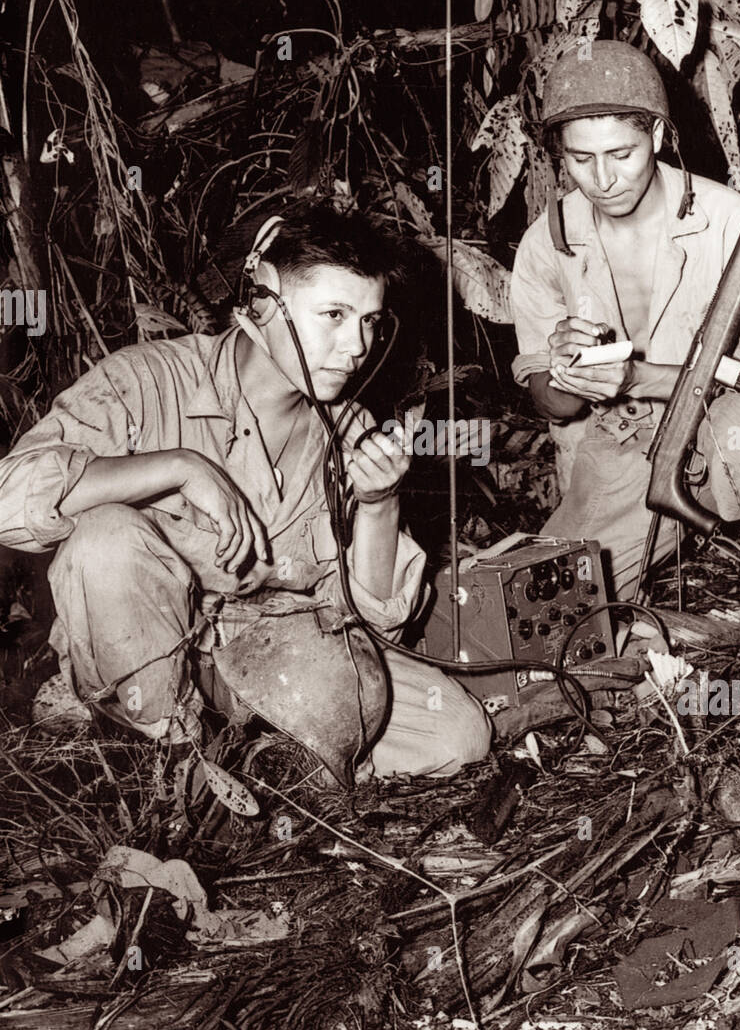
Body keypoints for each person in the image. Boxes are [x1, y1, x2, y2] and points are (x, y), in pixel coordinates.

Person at [0, 203, 491, 780]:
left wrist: (380, 505)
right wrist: (180, 467)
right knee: (104, 535)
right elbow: (10, 497)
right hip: (159, 649)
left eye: (369, 320)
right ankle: (165, 766)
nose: (356, 345)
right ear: (263, 301)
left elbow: (373, 626)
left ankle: (264, 764)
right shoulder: (147, 382)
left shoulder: (351, 432)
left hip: (282, 655)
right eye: (333, 314)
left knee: (457, 734)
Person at [510, 40, 740, 599]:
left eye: (621, 153)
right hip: (615, 446)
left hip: (716, 431)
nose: (603, 179)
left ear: (655, 134)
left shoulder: (731, 224)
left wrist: (639, 378)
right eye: (581, 159)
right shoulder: (545, 244)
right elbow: (549, 404)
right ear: (560, 154)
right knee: (547, 603)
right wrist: (565, 375)